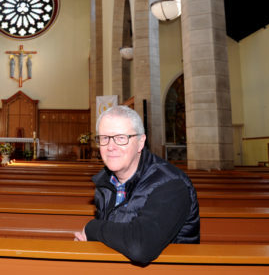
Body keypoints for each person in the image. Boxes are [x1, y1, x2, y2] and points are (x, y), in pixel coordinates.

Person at [74, 105, 199, 265]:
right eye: (104, 138)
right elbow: (112, 237)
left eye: (121, 138)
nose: (111, 147)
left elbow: (140, 246)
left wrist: (92, 229)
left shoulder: (171, 184)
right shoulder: (105, 182)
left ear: (141, 142)